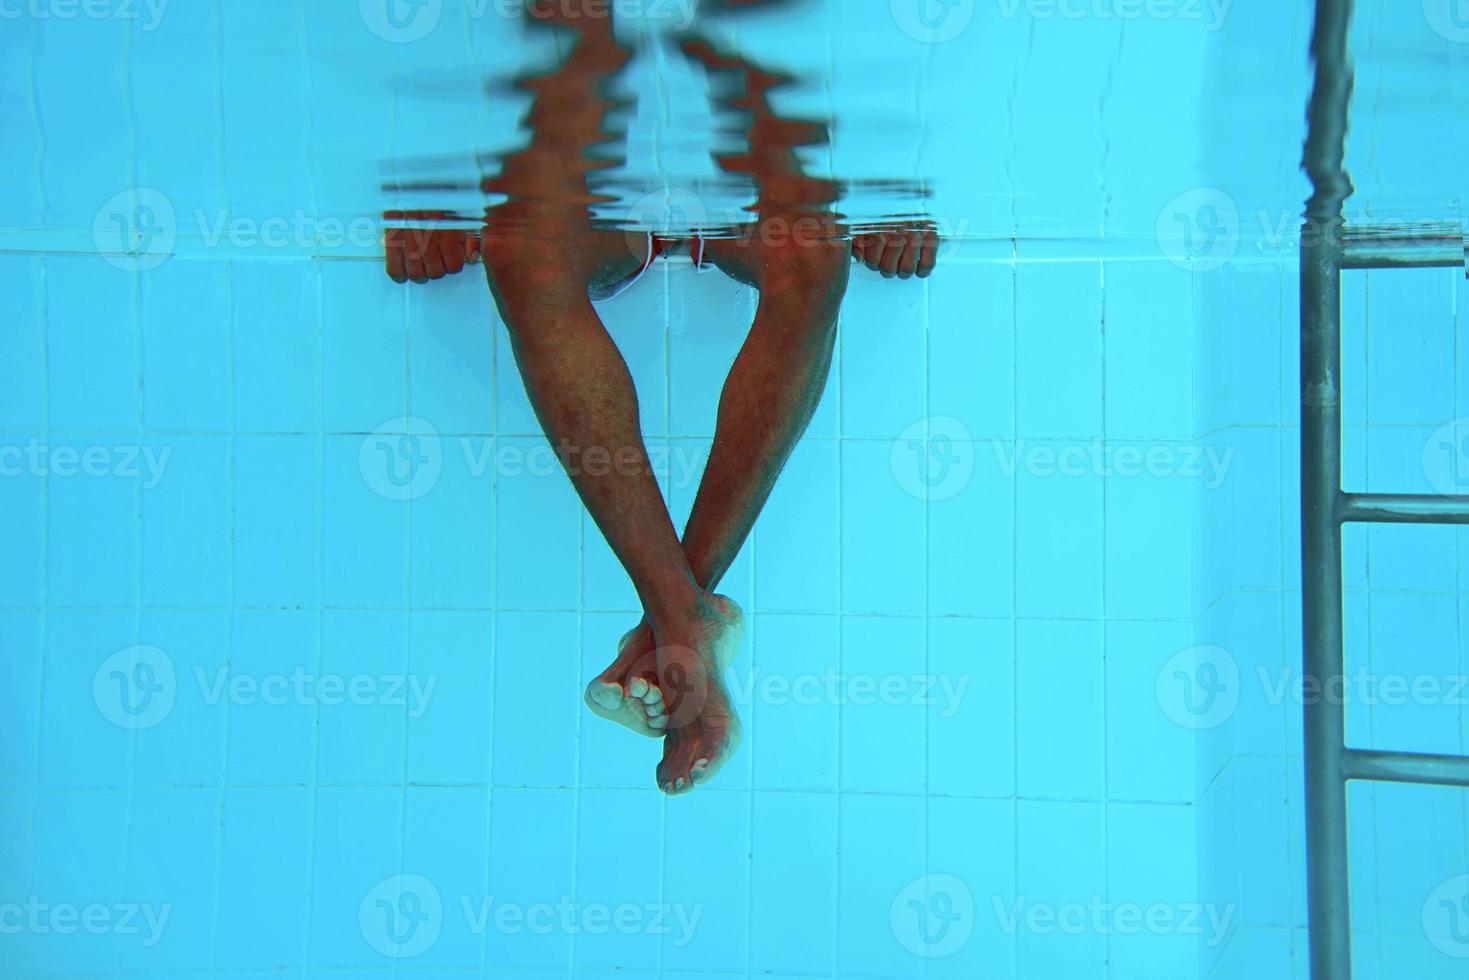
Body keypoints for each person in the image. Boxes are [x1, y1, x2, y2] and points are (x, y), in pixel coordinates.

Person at [385, 1, 937, 795]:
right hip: (597, 188)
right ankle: (685, 622)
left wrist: (895, 188)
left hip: (732, 176)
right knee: (522, 252)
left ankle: (676, 621)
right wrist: (430, 181)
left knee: (815, 255)